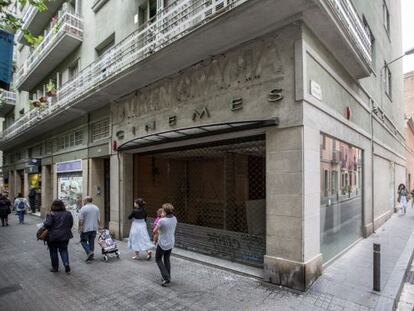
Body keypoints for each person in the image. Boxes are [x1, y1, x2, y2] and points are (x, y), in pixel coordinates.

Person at [43, 199, 73, 273]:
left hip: (53, 236)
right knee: (64, 250)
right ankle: (66, 264)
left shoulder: (51, 214)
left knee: (53, 252)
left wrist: (44, 222)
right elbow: (70, 224)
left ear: (53, 205)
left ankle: (55, 268)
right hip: (65, 235)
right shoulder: (68, 213)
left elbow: (48, 225)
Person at [154, 203, 177, 287]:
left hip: (162, 243)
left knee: (158, 259)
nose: (161, 212)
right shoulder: (174, 218)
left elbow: (155, 230)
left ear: (165, 212)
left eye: (162, 211)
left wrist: (159, 231)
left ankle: (166, 277)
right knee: (167, 258)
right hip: (171, 242)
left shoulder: (162, 220)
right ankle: (168, 276)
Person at [78, 196, 100, 261]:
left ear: (86, 201)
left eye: (84, 200)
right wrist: (99, 226)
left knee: (83, 241)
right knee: (91, 241)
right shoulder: (96, 208)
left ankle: (89, 252)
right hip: (94, 228)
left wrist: (80, 228)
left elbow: (81, 220)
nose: (84, 201)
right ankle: (91, 256)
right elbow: (98, 219)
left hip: (86, 228)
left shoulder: (83, 208)